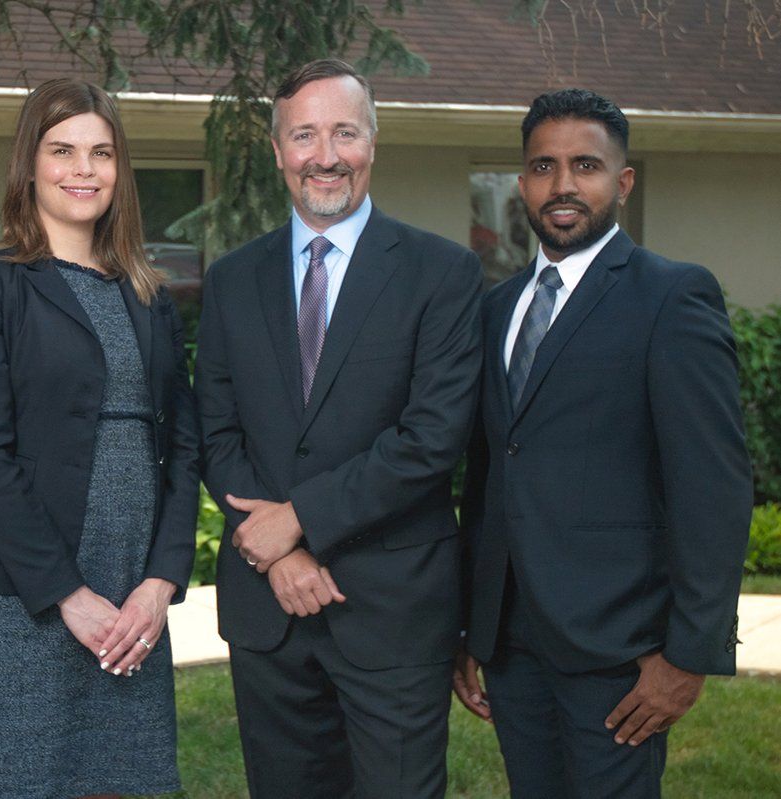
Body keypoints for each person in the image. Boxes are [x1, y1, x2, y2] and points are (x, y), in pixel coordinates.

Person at [195, 59, 483, 798]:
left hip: (392, 611)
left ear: (373, 142)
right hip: (269, 616)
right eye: (304, 135)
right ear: (277, 149)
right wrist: (277, 556)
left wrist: (297, 520)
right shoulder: (231, 280)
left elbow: (430, 437)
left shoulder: (442, 273)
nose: (325, 155)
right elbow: (217, 431)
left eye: (344, 133)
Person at [454, 88, 753, 799]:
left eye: (583, 165)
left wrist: (687, 655)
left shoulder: (671, 298)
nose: (561, 185)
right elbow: (488, 472)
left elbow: (712, 486)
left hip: (619, 648)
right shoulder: (495, 308)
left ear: (621, 182)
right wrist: (469, 627)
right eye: (542, 166)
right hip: (511, 641)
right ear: (521, 181)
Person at [0, 77, 199, 799]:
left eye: (101, 152)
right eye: (63, 150)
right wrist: (66, 593)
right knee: (19, 779)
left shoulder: (147, 295)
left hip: (131, 582)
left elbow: (184, 447)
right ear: (30, 164)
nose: (84, 169)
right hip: (29, 587)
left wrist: (159, 581)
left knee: (120, 778)